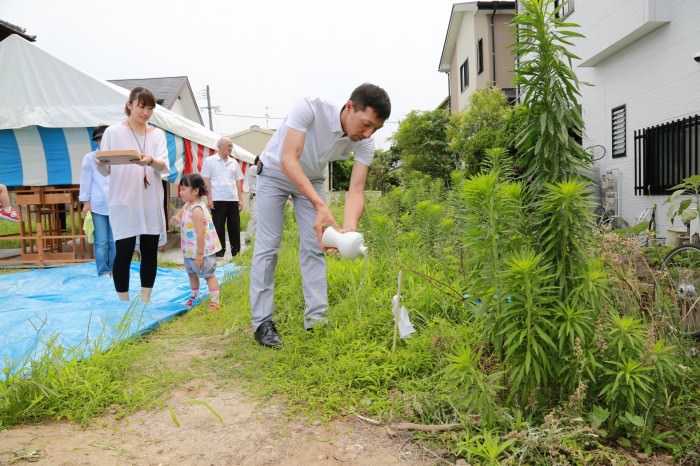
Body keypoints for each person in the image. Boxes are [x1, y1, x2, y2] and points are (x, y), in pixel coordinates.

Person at [249, 83, 391, 348]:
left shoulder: (365, 142)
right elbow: (289, 159)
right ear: (350, 107)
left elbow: (356, 189)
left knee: (316, 247)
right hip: (274, 173)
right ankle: (262, 323)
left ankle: (317, 320)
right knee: (268, 247)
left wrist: (347, 231)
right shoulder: (310, 106)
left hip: (311, 180)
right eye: (366, 124)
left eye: (376, 129)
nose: (368, 133)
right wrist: (321, 205)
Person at [97, 87, 170, 303]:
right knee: (124, 250)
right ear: (130, 104)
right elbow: (106, 169)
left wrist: (148, 160)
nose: (145, 112)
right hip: (123, 200)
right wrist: (100, 165)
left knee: (149, 251)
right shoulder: (113, 132)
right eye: (141, 106)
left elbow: (163, 165)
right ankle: (123, 302)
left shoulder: (158, 134)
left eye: (150, 108)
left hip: (150, 200)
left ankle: (146, 299)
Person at [174, 174, 222, 311]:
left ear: (195, 191)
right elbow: (182, 211)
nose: (180, 192)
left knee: (208, 275)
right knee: (192, 273)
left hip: (202, 251)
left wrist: (200, 254)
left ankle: (214, 301)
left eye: (183, 189)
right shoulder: (189, 204)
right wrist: (177, 217)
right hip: (189, 250)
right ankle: (195, 296)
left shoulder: (197, 210)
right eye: (180, 188)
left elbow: (201, 233)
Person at [79, 125, 115, 277]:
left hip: (116, 203)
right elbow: (86, 181)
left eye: (104, 138)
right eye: (99, 139)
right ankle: (103, 271)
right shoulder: (89, 158)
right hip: (98, 203)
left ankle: (115, 269)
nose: (102, 141)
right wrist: (85, 201)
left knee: (115, 241)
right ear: (96, 141)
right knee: (101, 241)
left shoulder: (118, 156)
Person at [201, 137, 244, 259]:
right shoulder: (210, 161)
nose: (231, 148)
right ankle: (219, 253)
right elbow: (206, 180)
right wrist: (209, 198)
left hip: (232, 198)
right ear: (220, 146)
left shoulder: (234, 162)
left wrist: (240, 199)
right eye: (228, 145)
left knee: (235, 226)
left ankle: (236, 252)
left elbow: (238, 182)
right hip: (217, 198)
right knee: (218, 226)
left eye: (231, 146)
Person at [243, 156, 261, 240]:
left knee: (260, 219)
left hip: (260, 197)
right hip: (255, 197)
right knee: (255, 217)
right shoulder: (253, 168)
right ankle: (248, 238)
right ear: (257, 161)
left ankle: (255, 238)